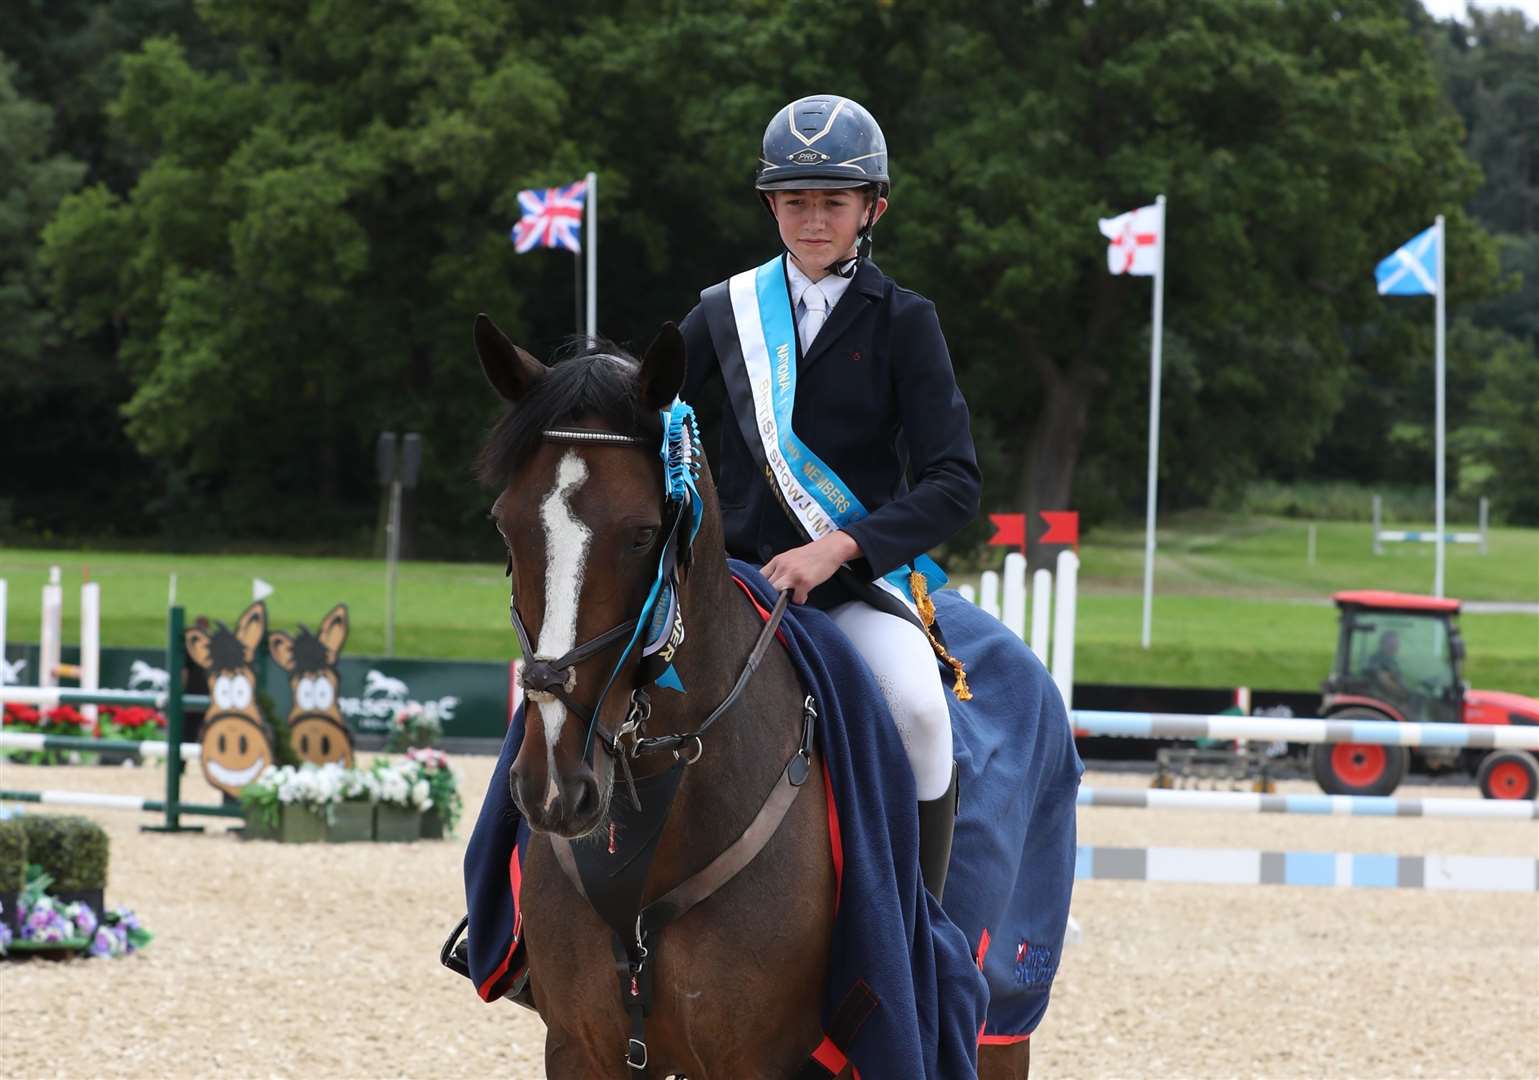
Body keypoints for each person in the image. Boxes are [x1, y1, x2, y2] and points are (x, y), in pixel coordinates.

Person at [679, 94, 982, 899]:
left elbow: (954, 482)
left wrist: (838, 547)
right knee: (575, 682)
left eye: (832, 202)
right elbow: (651, 414)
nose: (812, 219)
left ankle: (920, 934)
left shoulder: (906, 322)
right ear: (771, 205)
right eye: (794, 201)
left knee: (920, 712)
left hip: (846, 589)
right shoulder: (723, 314)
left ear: (870, 208)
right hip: (724, 583)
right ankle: (516, 919)